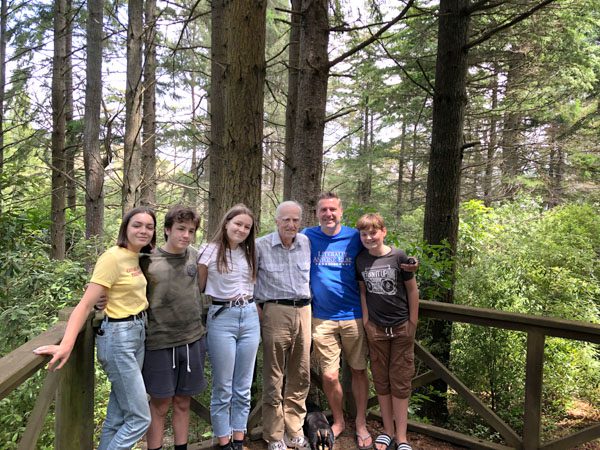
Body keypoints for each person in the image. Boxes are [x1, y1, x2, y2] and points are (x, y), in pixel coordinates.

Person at [34, 206, 156, 449]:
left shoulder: (137, 256)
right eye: (137, 225)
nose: (143, 230)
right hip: (118, 337)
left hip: (137, 333)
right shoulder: (112, 257)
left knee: (117, 416)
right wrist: (66, 345)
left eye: (149, 227)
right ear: (125, 228)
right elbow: (85, 305)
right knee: (140, 418)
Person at [302, 192, 418, 448]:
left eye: (333, 209)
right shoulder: (307, 236)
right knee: (329, 376)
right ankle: (339, 420)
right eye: (323, 210)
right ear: (317, 213)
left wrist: (409, 263)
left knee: (358, 370)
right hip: (322, 317)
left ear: (341, 212)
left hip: (354, 315)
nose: (328, 214)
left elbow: (380, 249)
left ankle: (362, 422)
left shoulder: (354, 236)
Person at [140, 206, 207, 450]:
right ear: (167, 229)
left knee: (183, 402)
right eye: (180, 229)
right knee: (159, 405)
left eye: (191, 230)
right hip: (159, 342)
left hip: (193, 339)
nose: (186, 235)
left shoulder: (196, 257)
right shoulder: (147, 260)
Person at [197, 204, 260, 450]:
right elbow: (200, 286)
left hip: (250, 317)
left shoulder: (250, 252)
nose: (242, 229)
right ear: (226, 223)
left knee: (243, 387)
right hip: (222, 316)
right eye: (238, 224)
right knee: (223, 386)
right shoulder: (209, 251)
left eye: (247, 227)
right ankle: (224, 442)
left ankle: (239, 440)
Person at [355, 213, 419, 450]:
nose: (369, 237)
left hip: (401, 328)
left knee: (400, 382)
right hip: (376, 330)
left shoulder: (398, 256)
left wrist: (412, 322)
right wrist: (366, 321)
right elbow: (363, 292)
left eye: (373, 233)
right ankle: (387, 430)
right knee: (381, 381)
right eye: (364, 234)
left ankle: (402, 437)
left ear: (383, 232)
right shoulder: (361, 260)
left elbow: (412, 290)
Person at [255, 201, 312, 450]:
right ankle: (274, 434)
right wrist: (257, 308)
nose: (291, 224)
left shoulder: (306, 243)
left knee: (301, 372)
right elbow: (248, 278)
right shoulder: (260, 246)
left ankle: (295, 428)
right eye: (286, 219)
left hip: (305, 310)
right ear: (276, 220)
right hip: (275, 310)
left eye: (295, 220)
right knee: (274, 373)